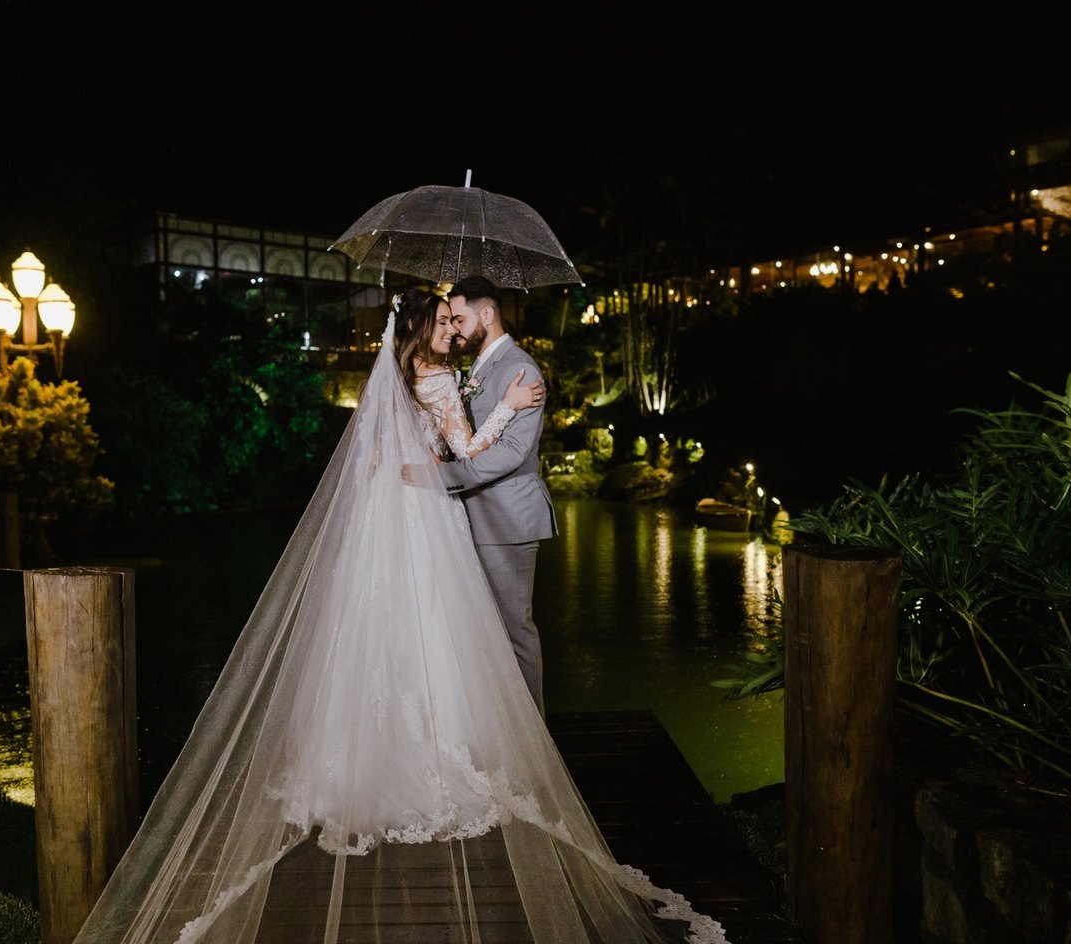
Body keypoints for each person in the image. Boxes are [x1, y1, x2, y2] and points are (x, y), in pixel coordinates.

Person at [70, 290, 728, 944]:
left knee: (385, 630)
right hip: (427, 517)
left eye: (455, 319)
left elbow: (383, 457)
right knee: (437, 627)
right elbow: (468, 450)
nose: (452, 329)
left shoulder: (391, 373)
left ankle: (362, 754)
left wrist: (431, 457)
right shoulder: (439, 376)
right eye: (443, 321)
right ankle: (450, 751)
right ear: (421, 327)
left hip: (384, 518)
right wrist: (506, 406)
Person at [441, 275, 558, 713]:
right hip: (475, 516)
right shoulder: (477, 366)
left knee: (514, 630)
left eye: (459, 318)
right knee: (483, 632)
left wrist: (444, 476)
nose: (453, 328)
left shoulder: (519, 368)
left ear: (486, 314)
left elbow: (511, 452)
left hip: (508, 517)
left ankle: (536, 740)